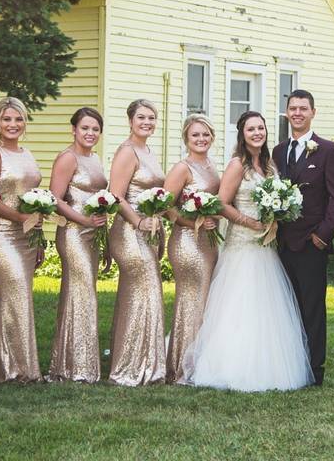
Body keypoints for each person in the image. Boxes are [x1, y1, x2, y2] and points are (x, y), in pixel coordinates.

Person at [188, 111, 314, 392]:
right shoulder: (237, 165)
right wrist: (251, 222)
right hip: (242, 241)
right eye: (250, 129)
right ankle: (230, 364)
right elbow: (222, 203)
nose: (257, 133)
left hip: (265, 245)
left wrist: (275, 216)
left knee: (266, 303)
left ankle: (269, 365)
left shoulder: (269, 165)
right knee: (239, 301)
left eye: (261, 128)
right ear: (242, 134)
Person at [271, 89, 334, 386]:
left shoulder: (327, 149)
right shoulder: (278, 151)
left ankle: (315, 369)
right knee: (287, 306)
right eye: (293, 108)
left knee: (313, 307)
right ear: (287, 113)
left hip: (311, 243)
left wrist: (323, 236)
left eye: (303, 108)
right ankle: (291, 363)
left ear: (313, 112)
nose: (298, 113)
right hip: (281, 243)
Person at [0, 97, 44, 383]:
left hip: (26, 235)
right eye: (7, 119)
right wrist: (19, 219)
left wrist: (37, 237)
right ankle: (23, 370)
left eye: (18, 119)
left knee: (12, 296)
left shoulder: (27, 153)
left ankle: (2, 367)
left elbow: (32, 199)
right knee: (16, 291)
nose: (12, 125)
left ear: (25, 122)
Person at [107, 99, 167, 386]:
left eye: (151, 118)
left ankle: (137, 359)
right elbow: (115, 196)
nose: (147, 122)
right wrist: (139, 222)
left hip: (150, 231)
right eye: (141, 117)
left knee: (137, 295)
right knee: (148, 290)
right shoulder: (127, 152)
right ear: (130, 120)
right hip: (129, 231)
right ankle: (130, 367)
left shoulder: (148, 151)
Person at [47, 107, 109, 383]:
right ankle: (78, 367)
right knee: (82, 294)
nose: (90, 133)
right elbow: (55, 199)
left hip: (92, 235)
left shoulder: (94, 159)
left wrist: (103, 237)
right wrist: (83, 220)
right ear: (73, 130)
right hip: (73, 234)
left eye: (95, 129)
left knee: (81, 294)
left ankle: (72, 363)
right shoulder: (67, 158)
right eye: (85, 128)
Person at [162, 114, 221, 384]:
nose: (201, 139)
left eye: (205, 134)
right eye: (195, 135)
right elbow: (165, 207)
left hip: (208, 242)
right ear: (186, 138)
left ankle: (200, 361)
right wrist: (193, 221)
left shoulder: (210, 165)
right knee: (191, 301)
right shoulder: (182, 168)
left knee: (204, 302)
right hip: (187, 241)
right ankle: (180, 367)